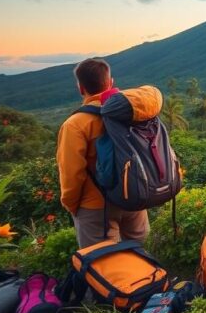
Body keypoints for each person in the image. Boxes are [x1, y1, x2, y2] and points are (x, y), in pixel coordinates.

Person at [56, 57, 149, 248]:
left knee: (103, 266)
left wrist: (72, 206)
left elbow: (72, 174)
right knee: (139, 256)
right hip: (134, 196)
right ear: (110, 82)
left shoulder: (76, 125)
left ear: (81, 88)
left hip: (96, 207)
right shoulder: (133, 112)